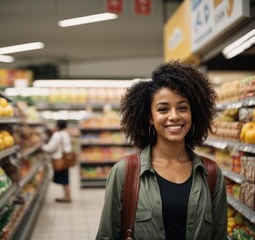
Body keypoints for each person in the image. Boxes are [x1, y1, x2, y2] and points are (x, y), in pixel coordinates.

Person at [96, 61, 227, 240]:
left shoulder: (211, 174)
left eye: (182, 108)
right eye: (163, 109)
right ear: (150, 117)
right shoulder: (125, 172)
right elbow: (107, 235)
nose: (174, 116)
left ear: (193, 113)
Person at [41, 119, 72, 203]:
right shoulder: (66, 134)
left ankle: (67, 197)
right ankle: (66, 196)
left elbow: (51, 147)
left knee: (64, 179)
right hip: (66, 158)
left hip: (59, 158)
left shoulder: (57, 135)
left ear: (58, 126)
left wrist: (42, 147)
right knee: (65, 178)